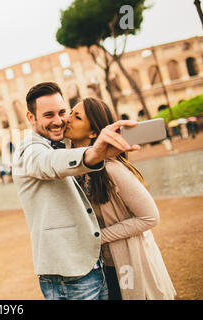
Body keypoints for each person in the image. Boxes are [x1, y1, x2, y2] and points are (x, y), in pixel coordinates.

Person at [12, 82, 140, 300]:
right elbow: (48, 163)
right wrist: (92, 153)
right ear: (31, 118)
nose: (59, 120)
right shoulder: (30, 150)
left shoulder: (59, 146)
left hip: (88, 267)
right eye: (48, 115)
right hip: (69, 274)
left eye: (63, 112)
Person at [64, 97, 176, 300]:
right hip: (101, 267)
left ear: (93, 132)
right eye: (71, 112)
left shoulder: (111, 168)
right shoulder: (72, 167)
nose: (68, 119)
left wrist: (98, 237)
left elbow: (150, 217)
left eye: (77, 117)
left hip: (128, 264)